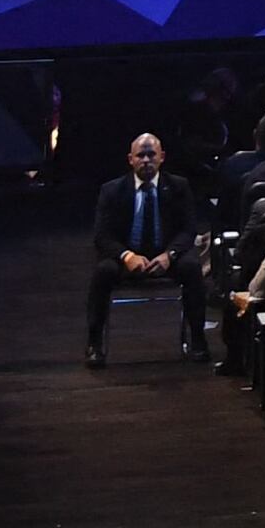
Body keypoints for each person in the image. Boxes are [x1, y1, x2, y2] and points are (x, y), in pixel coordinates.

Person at [83, 129, 209, 369]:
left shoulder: (179, 186)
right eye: (141, 155)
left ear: (162, 156)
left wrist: (169, 255)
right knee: (102, 272)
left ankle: (198, 340)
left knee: (192, 267)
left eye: (151, 155)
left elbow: (188, 229)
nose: (146, 160)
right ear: (131, 159)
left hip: (166, 254)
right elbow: (102, 235)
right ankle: (94, 343)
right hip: (126, 256)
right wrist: (127, 256)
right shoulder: (112, 190)